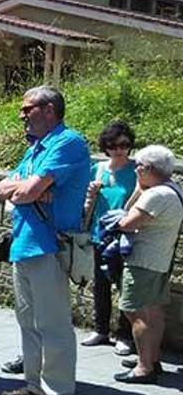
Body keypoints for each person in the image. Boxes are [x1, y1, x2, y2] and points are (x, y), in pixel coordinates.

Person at [0, 86, 89, 395]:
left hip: (50, 246)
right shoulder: (36, 148)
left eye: (27, 108)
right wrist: (29, 189)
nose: (22, 115)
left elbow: (22, 194)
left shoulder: (68, 142)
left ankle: (59, 393)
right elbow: (4, 187)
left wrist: (26, 190)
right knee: (29, 322)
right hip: (25, 243)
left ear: (49, 109)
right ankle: (35, 387)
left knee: (53, 324)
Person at [111, 145, 182, 384]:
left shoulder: (155, 195)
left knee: (135, 312)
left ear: (149, 168)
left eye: (138, 167)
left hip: (142, 262)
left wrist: (138, 191)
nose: (136, 170)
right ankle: (152, 358)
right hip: (160, 261)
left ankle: (144, 367)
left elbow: (127, 221)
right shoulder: (174, 190)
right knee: (154, 311)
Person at [80, 121, 137, 351]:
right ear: (106, 147)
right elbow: (85, 204)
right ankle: (101, 330)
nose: (119, 149)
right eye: (113, 145)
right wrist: (91, 193)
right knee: (100, 285)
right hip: (100, 234)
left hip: (125, 236)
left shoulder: (136, 170)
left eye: (123, 144)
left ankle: (125, 335)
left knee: (125, 287)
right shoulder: (99, 169)